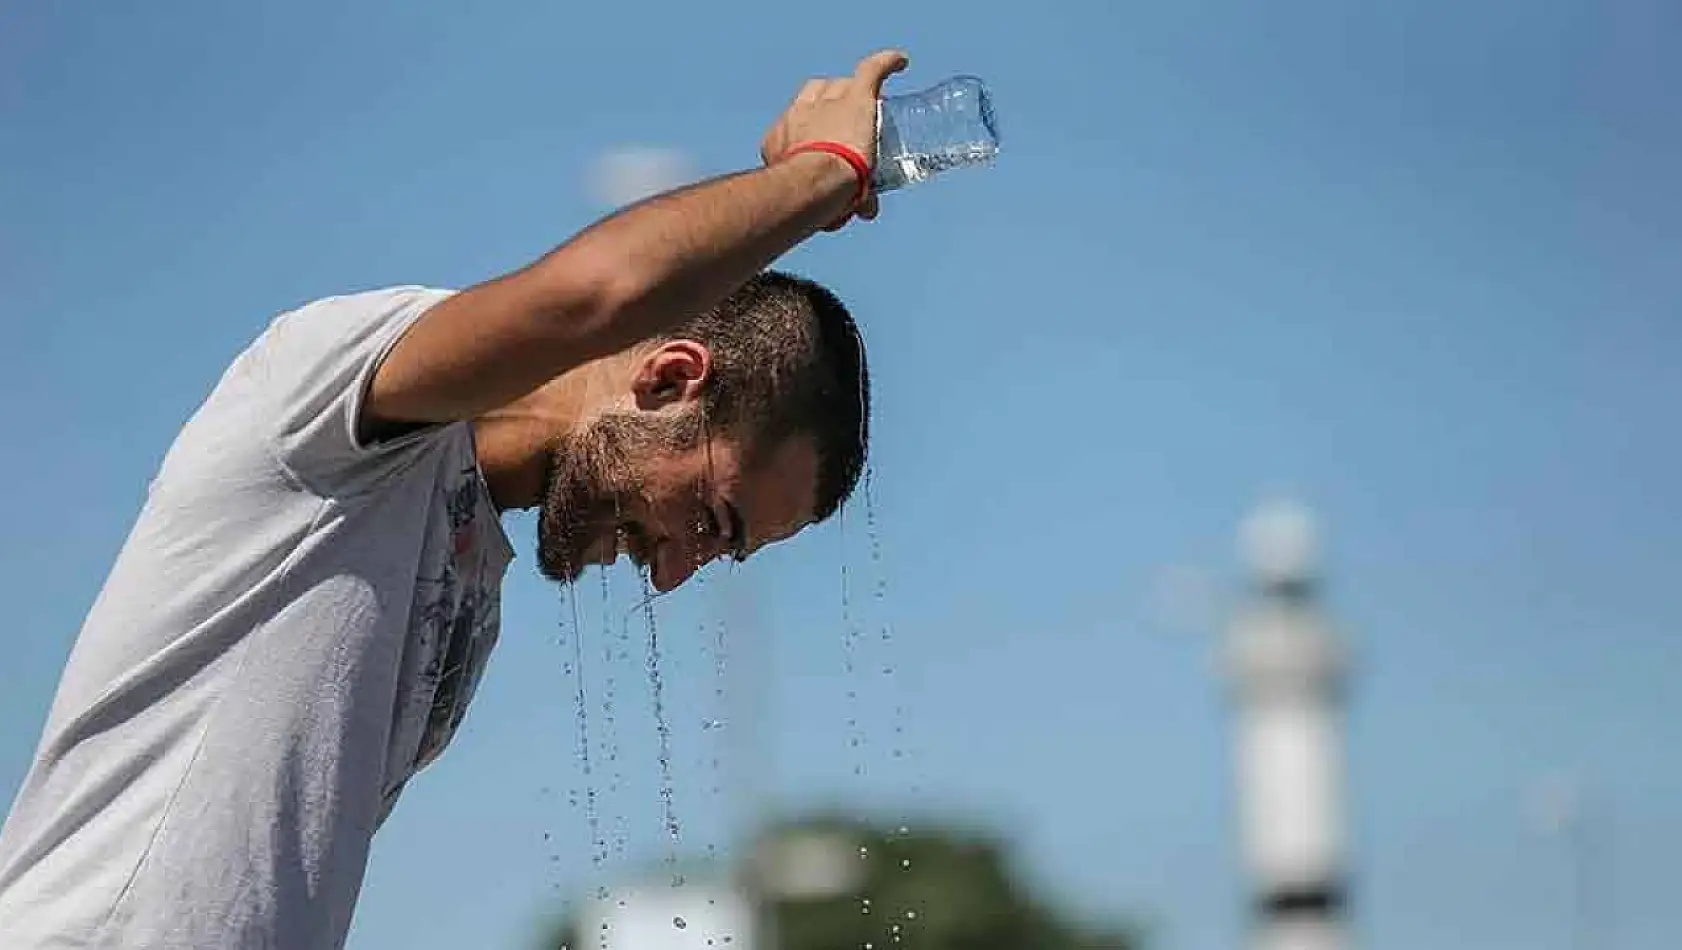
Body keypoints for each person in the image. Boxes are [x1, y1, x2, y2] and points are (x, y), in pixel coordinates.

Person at [0, 48, 909, 949]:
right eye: (711, 521)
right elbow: (595, 297)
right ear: (668, 380)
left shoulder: (471, 582)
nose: (672, 573)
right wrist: (825, 176)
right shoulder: (334, 402)